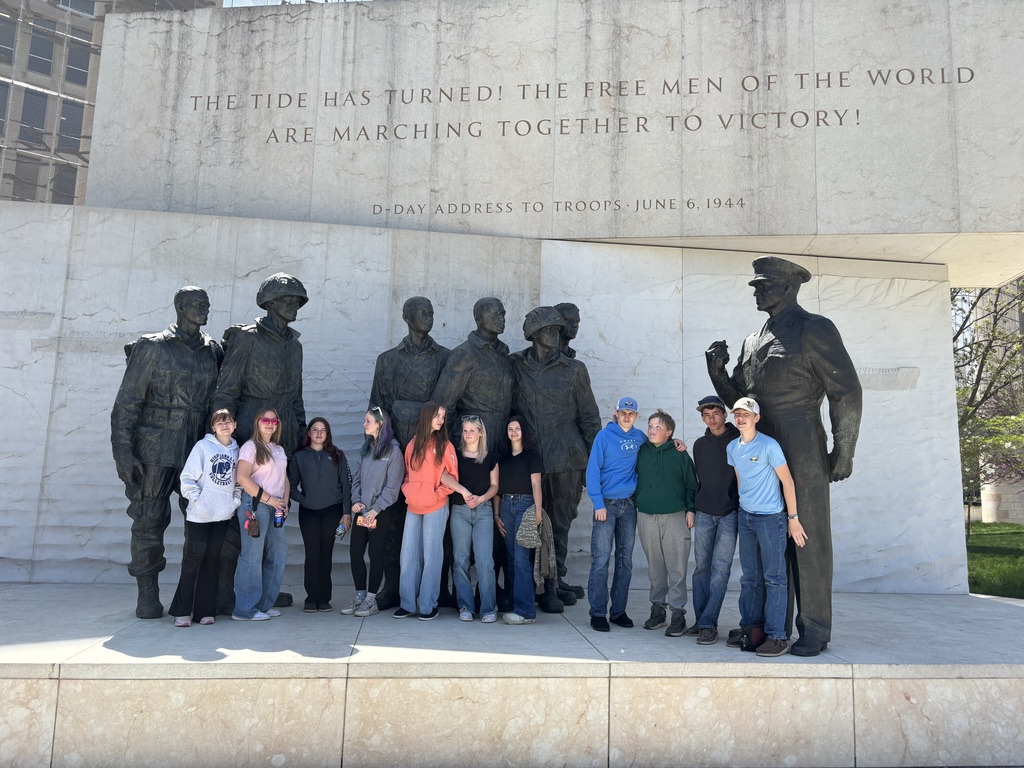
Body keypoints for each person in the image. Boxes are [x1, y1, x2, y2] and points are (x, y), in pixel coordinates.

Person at [706, 256, 862, 656]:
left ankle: (814, 626)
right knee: (764, 537)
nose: (756, 291)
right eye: (755, 285)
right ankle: (765, 627)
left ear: (789, 287)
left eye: (764, 285)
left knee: (806, 534)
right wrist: (718, 373)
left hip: (801, 438)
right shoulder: (753, 339)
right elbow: (742, 403)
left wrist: (843, 450)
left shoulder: (815, 329)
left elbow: (845, 391)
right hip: (759, 438)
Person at [110, 286, 221, 618]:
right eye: (197, 305)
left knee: (204, 522)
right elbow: (126, 406)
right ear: (179, 307)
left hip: (196, 449)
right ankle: (147, 593)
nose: (204, 310)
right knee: (148, 521)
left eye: (207, 305)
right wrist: (123, 453)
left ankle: (196, 595)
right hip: (154, 447)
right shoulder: (152, 346)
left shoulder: (212, 350)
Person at [213, 272, 309, 615]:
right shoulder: (247, 339)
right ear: (269, 303)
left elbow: (296, 399)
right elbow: (226, 390)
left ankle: (262, 592)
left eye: (298, 300)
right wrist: (222, 438)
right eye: (287, 299)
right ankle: (235, 594)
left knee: (273, 525)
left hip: (282, 439)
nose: (294, 304)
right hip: (249, 436)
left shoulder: (294, 346)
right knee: (241, 524)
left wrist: (299, 439)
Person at [511, 306, 601, 612]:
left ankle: (553, 582)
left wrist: (594, 465)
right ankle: (533, 583)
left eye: (558, 329)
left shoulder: (574, 370)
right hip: (531, 458)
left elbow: (589, 419)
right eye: (550, 328)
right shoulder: (516, 365)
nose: (557, 333)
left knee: (560, 524)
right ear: (535, 333)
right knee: (531, 523)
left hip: (566, 457)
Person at [431, 297, 514, 610]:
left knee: (499, 522)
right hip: (469, 451)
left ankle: (494, 592)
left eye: (504, 312)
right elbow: (444, 403)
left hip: (500, 448)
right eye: (496, 313)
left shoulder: (504, 357)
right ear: (479, 317)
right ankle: (450, 592)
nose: (502, 317)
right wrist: (452, 450)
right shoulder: (464, 354)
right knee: (459, 528)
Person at [369, 296, 450, 610]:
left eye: (431, 311)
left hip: (432, 458)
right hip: (396, 455)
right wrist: (378, 453)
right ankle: (394, 587)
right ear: (406, 317)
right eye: (421, 312)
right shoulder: (388, 360)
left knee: (436, 525)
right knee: (393, 525)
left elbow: (449, 409)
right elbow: (378, 410)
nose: (428, 317)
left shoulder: (445, 358)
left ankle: (439, 589)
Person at [726, 397, 807, 657]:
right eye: (737, 414)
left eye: (746, 414)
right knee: (750, 578)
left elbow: (788, 482)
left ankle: (777, 636)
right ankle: (750, 629)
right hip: (746, 517)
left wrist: (792, 519)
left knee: (774, 578)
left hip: (771, 519)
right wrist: (743, 509)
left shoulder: (769, 445)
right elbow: (740, 480)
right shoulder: (732, 448)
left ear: (756, 418)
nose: (741, 418)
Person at [168, 409, 241, 627]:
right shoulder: (203, 447)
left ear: (235, 425)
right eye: (219, 422)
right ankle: (181, 611)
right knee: (192, 562)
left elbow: (238, 483)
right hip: (199, 517)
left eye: (228, 422)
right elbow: (187, 478)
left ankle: (205, 611)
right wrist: (198, 501)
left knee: (212, 562)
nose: (224, 425)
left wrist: (233, 503)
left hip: (222, 516)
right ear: (213, 427)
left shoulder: (238, 451)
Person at [634, 409, 698, 638]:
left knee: (677, 568)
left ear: (669, 432)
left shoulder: (680, 454)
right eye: (650, 426)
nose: (652, 430)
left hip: (675, 516)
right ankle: (657, 609)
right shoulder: (640, 451)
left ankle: (678, 613)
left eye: (658, 427)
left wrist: (691, 510)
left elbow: (692, 484)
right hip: (646, 515)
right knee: (655, 567)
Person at [585, 397, 646, 632]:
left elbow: (658, 445)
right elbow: (592, 471)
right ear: (616, 413)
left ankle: (618, 611)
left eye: (631, 413)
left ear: (637, 416)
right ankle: (598, 613)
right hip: (606, 506)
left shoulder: (639, 437)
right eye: (623, 412)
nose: (627, 416)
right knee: (601, 559)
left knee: (625, 561)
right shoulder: (604, 436)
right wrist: (597, 503)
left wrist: (678, 442)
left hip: (629, 506)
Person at [395, 401, 458, 621]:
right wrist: (408, 490)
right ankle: (408, 603)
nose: (441, 420)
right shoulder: (413, 444)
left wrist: (435, 495)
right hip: (413, 506)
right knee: (408, 555)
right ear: (427, 416)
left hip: (436, 507)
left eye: (443, 416)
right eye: (437, 416)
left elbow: (452, 479)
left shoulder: (446, 446)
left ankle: (428, 605)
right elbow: (406, 475)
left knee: (432, 556)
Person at [687, 396, 741, 646]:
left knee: (720, 571)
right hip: (705, 513)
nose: (711, 418)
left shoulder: (738, 441)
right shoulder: (699, 445)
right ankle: (701, 620)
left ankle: (709, 623)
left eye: (715, 413)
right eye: (706, 414)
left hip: (729, 514)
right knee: (701, 570)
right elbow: (697, 478)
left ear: (725, 415)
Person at [344, 407, 404, 618]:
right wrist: (356, 501)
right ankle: (360, 596)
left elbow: (393, 487)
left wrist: (376, 509)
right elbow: (357, 479)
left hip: (381, 512)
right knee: (355, 553)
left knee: (375, 554)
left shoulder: (394, 452)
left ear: (380, 424)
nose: (364, 424)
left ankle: (371, 599)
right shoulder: (366, 449)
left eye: (367, 421)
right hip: (362, 512)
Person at [288, 418, 352, 613]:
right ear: (308, 433)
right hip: (309, 512)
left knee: (326, 554)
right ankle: (311, 597)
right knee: (312, 554)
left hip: (332, 510)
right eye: (314, 430)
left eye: (322, 430)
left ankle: (324, 598)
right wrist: (304, 500)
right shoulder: (299, 457)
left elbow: (347, 485)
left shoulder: (337, 456)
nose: (318, 433)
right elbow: (290, 486)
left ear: (328, 433)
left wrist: (347, 512)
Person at [232, 409, 290, 621]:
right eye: (265, 420)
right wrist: (269, 499)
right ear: (257, 422)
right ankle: (245, 609)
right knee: (252, 556)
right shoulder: (250, 447)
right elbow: (242, 478)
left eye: (274, 421)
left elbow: (284, 479)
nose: (270, 423)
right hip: (255, 505)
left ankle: (263, 605)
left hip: (276, 507)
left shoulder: (278, 449)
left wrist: (284, 502)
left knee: (279, 554)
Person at [443, 416, 500, 623]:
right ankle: (465, 606)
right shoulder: (455, 456)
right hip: (460, 511)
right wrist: (464, 492)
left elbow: (495, 486)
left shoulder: (491, 457)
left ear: (481, 433)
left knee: (485, 561)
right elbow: (444, 476)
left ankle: (488, 608)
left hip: (484, 511)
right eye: (465, 430)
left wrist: (482, 498)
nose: (467, 434)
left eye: (471, 430)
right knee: (461, 560)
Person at [496, 416, 544, 626]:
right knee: (512, 558)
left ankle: (526, 611)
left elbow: (536, 485)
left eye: (517, 428)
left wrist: (537, 511)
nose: (513, 432)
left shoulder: (532, 456)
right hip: (506, 507)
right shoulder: (503, 457)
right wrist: (496, 515)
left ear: (523, 431)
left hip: (525, 506)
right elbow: (497, 490)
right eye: (510, 429)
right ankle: (517, 605)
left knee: (521, 559)